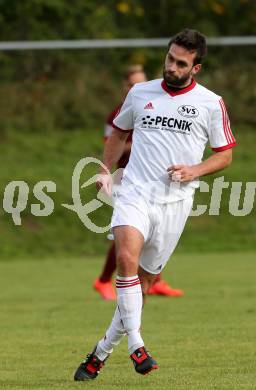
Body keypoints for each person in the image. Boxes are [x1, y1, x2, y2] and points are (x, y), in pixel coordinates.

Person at [74, 28, 236, 381]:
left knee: (143, 286)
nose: (172, 67)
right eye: (169, 58)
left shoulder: (211, 103)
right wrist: (105, 169)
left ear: (196, 69)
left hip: (175, 204)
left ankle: (99, 354)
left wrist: (195, 170)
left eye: (181, 63)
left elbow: (225, 155)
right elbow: (118, 133)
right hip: (134, 193)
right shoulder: (140, 92)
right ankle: (137, 344)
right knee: (126, 261)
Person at [93, 65, 184, 300]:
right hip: (126, 178)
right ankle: (103, 280)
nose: (139, 87)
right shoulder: (117, 113)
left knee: (151, 231)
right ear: (125, 86)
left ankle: (154, 280)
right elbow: (110, 142)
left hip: (151, 179)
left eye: (142, 82)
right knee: (129, 233)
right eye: (133, 83)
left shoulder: (152, 107)